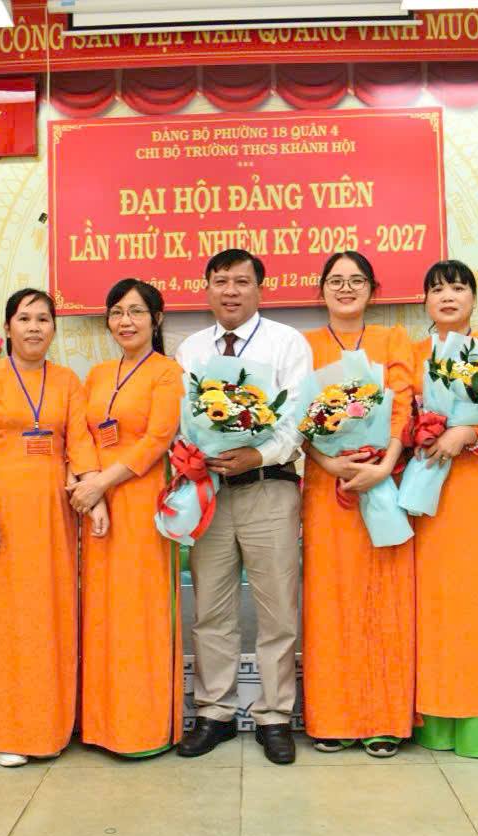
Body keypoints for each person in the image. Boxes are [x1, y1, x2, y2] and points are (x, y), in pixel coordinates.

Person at [174, 248, 311, 765]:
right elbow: (179, 418)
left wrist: (258, 453)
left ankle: (275, 716)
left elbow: (297, 416)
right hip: (208, 491)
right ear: (206, 289)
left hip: (269, 487)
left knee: (278, 608)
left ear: (260, 289)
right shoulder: (189, 349)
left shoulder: (287, 342)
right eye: (220, 281)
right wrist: (191, 455)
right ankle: (215, 712)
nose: (230, 291)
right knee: (212, 607)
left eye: (241, 282)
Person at [0, 288, 104, 767]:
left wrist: (93, 494)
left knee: (47, 615)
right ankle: (2, 730)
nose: (34, 327)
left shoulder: (67, 381)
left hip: (51, 516)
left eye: (43, 319)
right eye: (24, 318)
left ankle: (47, 725)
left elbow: (79, 442)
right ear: (7, 328)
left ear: (53, 328)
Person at [299, 251, 415, 757]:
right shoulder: (305, 346)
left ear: (372, 289)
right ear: (321, 289)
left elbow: (404, 405)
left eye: (356, 280)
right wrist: (329, 464)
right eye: (336, 281)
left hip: (383, 485)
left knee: (384, 599)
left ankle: (384, 718)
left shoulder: (393, 339)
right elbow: (294, 417)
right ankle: (332, 718)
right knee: (330, 602)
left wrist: (385, 465)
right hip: (327, 491)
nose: (346, 288)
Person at [411, 260, 478, 759]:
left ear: (474, 298)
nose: (448, 297)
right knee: (433, 599)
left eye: (458, 288)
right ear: (425, 302)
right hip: (424, 486)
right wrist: (422, 430)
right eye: (437, 290)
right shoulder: (410, 355)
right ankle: (434, 718)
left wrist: (469, 431)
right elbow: (393, 414)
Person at [69, 280, 185, 758]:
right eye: (117, 312)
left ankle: (142, 728)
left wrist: (102, 483)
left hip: (142, 499)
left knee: (140, 612)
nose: (126, 321)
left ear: (156, 319)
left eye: (136, 312)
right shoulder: (97, 374)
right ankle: (102, 725)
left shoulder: (167, 372)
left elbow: (158, 438)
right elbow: (78, 433)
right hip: (97, 504)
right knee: (101, 611)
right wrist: (91, 489)